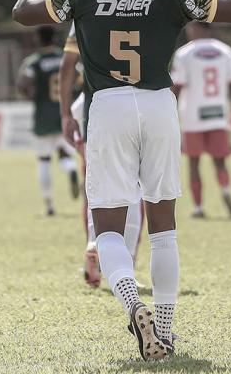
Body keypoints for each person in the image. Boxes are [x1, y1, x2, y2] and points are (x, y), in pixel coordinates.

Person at [12, 0, 231, 361]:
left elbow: (23, 10)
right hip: (160, 104)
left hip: (107, 106)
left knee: (107, 229)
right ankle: (163, 329)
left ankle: (132, 305)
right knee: (164, 229)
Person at [64, 23, 145, 288]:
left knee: (95, 191)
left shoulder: (87, 12)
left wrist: (66, 115)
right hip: (137, 112)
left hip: (96, 115)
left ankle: (93, 240)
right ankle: (128, 264)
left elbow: (68, 64)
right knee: (135, 194)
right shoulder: (147, 5)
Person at [171, 22, 231, 219]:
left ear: (196, 29)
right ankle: (225, 189)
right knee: (220, 160)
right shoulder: (226, 52)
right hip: (218, 113)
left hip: (193, 115)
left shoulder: (184, 54)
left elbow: (178, 86)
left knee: (194, 162)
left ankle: (198, 207)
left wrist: (169, 111)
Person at [17, 26, 80, 216]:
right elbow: (80, 80)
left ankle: (49, 205)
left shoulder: (34, 62)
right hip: (63, 113)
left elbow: (22, 85)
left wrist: (32, 96)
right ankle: (71, 169)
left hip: (43, 117)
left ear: (38, 39)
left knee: (44, 159)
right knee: (65, 154)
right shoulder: (65, 59)